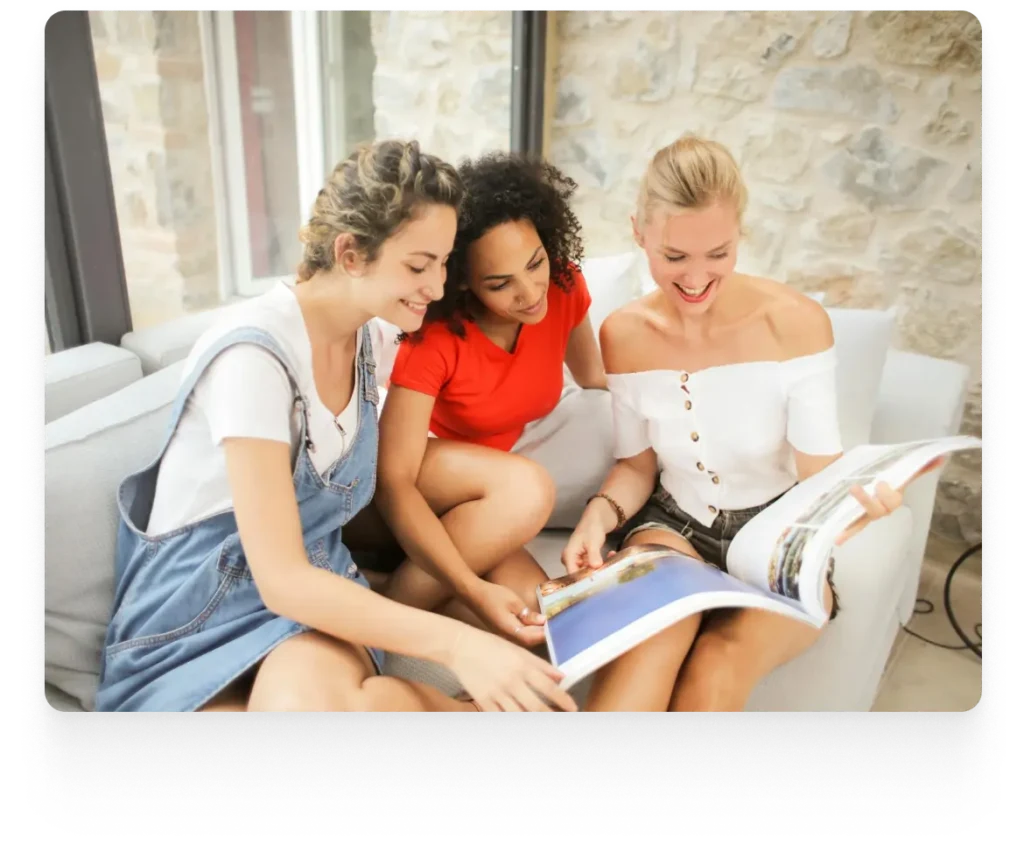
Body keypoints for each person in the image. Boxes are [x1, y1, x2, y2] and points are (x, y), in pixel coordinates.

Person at [92, 140, 578, 715]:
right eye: (419, 266)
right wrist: (460, 643)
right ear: (350, 254)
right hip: (194, 616)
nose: (439, 286)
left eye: (444, 263)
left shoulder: (372, 335)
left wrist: (475, 593)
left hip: (319, 593)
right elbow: (282, 580)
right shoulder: (253, 359)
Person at [560, 134, 944, 713]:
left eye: (718, 253)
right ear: (639, 232)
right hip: (672, 528)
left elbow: (820, 477)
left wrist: (858, 507)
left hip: (777, 537)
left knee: (715, 670)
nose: (695, 278)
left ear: (739, 232)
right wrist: (600, 513)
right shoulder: (622, 333)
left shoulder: (796, 323)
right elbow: (637, 465)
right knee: (645, 647)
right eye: (673, 257)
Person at [361, 151, 613, 651]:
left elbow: (595, 382)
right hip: (413, 487)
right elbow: (394, 482)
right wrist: (470, 587)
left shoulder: (562, 288)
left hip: (490, 501)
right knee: (526, 490)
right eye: (500, 284)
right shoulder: (435, 338)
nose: (529, 291)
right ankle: (381, 622)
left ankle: (381, 594)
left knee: (540, 621)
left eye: (535, 262)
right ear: (464, 284)